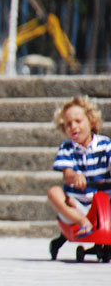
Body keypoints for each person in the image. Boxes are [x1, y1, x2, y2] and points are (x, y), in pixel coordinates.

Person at [47, 96, 111, 259]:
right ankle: (82, 222)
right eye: (68, 124)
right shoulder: (67, 148)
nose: (73, 127)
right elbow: (67, 175)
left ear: (91, 121)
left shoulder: (105, 144)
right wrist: (75, 177)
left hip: (103, 204)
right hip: (78, 206)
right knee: (54, 192)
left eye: (78, 121)